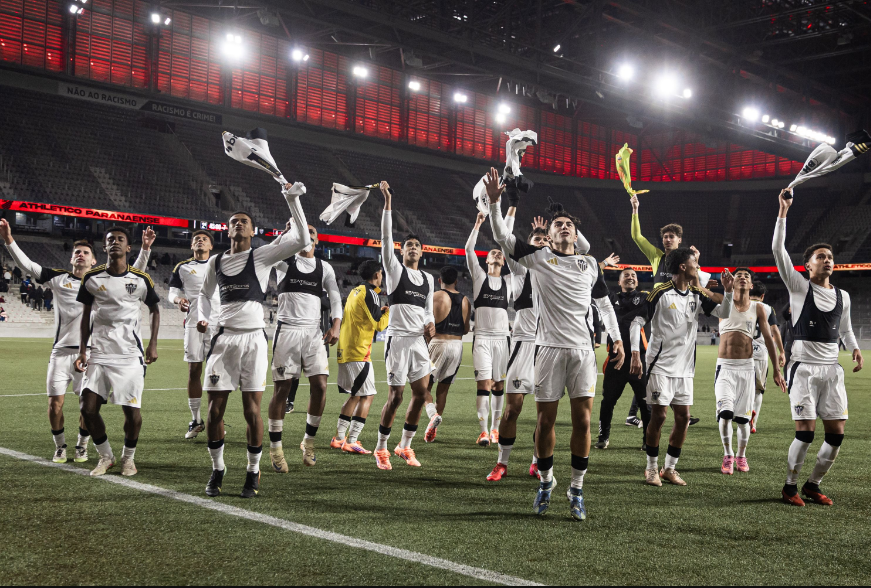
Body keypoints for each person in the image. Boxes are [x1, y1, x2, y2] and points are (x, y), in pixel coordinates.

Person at [486, 167, 623, 521]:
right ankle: (546, 481)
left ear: (576, 235)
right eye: (557, 224)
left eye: (569, 225)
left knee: (583, 421)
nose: (563, 227)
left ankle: (576, 488)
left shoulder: (590, 264)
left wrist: (616, 338)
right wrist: (496, 203)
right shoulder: (537, 259)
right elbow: (502, 237)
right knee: (545, 423)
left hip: (582, 353)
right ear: (547, 233)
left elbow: (604, 304)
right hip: (546, 350)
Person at [196, 183, 310, 499]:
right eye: (234, 222)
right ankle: (218, 468)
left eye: (244, 221)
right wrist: (202, 316)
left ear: (252, 230)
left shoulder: (261, 256)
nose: (238, 225)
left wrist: (292, 200)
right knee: (215, 411)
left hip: (254, 343)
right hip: (223, 341)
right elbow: (204, 296)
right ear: (227, 229)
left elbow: (302, 239)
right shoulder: (215, 262)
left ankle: (252, 471)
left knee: (251, 410)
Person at [2, 220, 150, 463]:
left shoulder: (102, 280)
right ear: (71, 259)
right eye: (76, 252)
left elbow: (133, 278)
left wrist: (145, 249)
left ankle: (82, 445)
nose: (80, 255)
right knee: (54, 405)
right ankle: (60, 446)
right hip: (60, 353)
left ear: (94, 260)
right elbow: (27, 266)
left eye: (85, 252)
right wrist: (9, 239)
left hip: (91, 354)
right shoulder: (59, 279)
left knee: (87, 406)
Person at [774, 188, 863, 507]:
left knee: (836, 435)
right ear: (808, 266)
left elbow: (847, 328)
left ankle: (813, 484)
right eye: (820, 257)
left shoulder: (844, 297)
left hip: (832, 371)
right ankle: (789, 487)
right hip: (803, 370)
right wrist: (783, 211)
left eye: (830, 257)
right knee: (805, 433)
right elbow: (777, 250)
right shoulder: (799, 287)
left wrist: (853, 347)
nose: (827, 260)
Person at [643, 249, 734, 487]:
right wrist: (634, 351)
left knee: (683, 417)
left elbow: (724, 312)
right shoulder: (659, 293)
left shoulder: (696, 293)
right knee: (660, 416)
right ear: (683, 267)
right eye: (694, 262)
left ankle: (669, 469)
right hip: (659, 365)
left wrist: (729, 290)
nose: (698, 266)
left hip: (685, 368)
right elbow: (639, 320)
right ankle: (651, 468)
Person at [75, 226, 161, 477]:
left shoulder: (140, 279)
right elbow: (85, 317)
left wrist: (153, 343)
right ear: (104, 247)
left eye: (120, 240)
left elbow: (155, 309)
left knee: (131, 412)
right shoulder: (91, 278)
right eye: (110, 239)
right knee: (87, 408)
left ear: (128, 248)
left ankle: (128, 458)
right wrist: (83, 350)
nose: (114, 242)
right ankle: (106, 456)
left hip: (129, 355)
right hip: (99, 353)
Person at [630, 194, 713, 426]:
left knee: (677, 363)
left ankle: (678, 408)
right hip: (658, 314)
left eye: (671, 237)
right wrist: (635, 209)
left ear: (679, 240)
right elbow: (637, 236)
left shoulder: (687, 263)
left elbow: (697, 283)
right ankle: (642, 412)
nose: (667, 240)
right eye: (665, 236)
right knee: (652, 361)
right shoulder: (657, 257)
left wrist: (697, 262)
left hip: (680, 316)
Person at [267, 223, 342, 471]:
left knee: (320, 385)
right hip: (287, 330)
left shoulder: (325, 267)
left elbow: (334, 298)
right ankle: (276, 449)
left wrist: (336, 325)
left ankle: (308, 443)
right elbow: (269, 250)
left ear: (317, 240)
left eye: (311, 233)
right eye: (301, 232)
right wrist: (285, 234)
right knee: (282, 390)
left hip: (313, 333)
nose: (306, 236)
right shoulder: (283, 262)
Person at [374, 181, 436, 470]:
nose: (412, 248)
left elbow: (426, 310)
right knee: (396, 396)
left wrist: (430, 323)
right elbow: (386, 240)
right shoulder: (395, 271)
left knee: (421, 393)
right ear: (401, 252)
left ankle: (405, 446)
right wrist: (387, 203)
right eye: (408, 245)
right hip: (397, 340)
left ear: (422, 252)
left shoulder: (427, 279)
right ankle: (381, 448)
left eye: (416, 246)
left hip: (418, 342)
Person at [486, 206, 550, 482]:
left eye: (546, 241)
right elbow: (503, 237)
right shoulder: (519, 270)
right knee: (512, 409)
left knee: (545, 416)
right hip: (524, 345)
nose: (542, 244)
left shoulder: (557, 272)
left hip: (550, 347)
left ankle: (537, 462)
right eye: (537, 240)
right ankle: (502, 463)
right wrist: (500, 206)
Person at [714, 268, 785, 475]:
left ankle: (741, 455)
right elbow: (700, 290)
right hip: (725, 367)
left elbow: (770, 339)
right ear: (732, 282)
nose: (743, 278)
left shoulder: (759, 308)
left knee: (743, 420)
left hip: (747, 368)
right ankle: (728, 454)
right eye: (739, 276)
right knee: (725, 414)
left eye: (747, 276)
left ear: (751, 285)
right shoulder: (723, 303)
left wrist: (776, 370)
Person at [331, 259, 390, 454]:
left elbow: (363, 316)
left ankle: (339, 438)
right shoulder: (370, 293)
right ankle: (353, 440)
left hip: (346, 349)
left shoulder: (355, 291)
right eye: (381, 274)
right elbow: (380, 325)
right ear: (377, 275)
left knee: (356, 395)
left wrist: (379, 312)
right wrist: (388, 312)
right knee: (368, 395)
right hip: (358, 351)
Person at [167, 230, 219, 439]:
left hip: (217, 325)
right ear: (191, 246)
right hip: (193, 324)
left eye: (204, 239)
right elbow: (172, 291)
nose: (200, 240)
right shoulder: (183, 267)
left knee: (216, 374)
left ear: (211, 246)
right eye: (196, 239)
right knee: (193, 370)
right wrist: (177, 300)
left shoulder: (219, 264)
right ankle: (196, 419)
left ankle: (216, 417)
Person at [465, 212, 511, 446]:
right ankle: (483, 431)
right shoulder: (479, 278)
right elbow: (468, 250)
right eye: (492, 253)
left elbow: (516, 257)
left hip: (503, 339)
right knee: (483, 384)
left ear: (504, 261)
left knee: (499, 385)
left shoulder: (509, 282)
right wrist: (478, 224)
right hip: (482, 338)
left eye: (500, 254)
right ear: (486, 261)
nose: (496, 254)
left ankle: (495, 429)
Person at [594, 268, 652, 451]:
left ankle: (648, 440)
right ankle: (603, 436)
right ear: (619, 282)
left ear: (637, 282)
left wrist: (618, 319)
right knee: (607, 401)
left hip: (639, 359)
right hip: (615, 358)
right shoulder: (610, 298)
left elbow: (638, 317)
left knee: (645, 402)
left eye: (634, 275)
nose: (630, 277)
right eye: (626, 275)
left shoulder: (645, 297)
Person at [422, 265, 471, 443]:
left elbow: (427, 325)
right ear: (457, 281)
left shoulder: (435, 296)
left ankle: (431, 415)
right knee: (443, 390)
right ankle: (432, 430)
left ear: (439, 280)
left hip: (438, 343)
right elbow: (466, 329)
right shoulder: (466, 300)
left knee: (424, 387)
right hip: (457, 345)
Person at [748, 282, 784, 434]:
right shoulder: (768, 308)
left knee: (741, 387)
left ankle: (741, 414)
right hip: (761, 353)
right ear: (762, 296)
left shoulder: (742, 305)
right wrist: (782, 351)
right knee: (758, 390)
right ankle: (753, 422)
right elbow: (774, 330)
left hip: (742, 352)